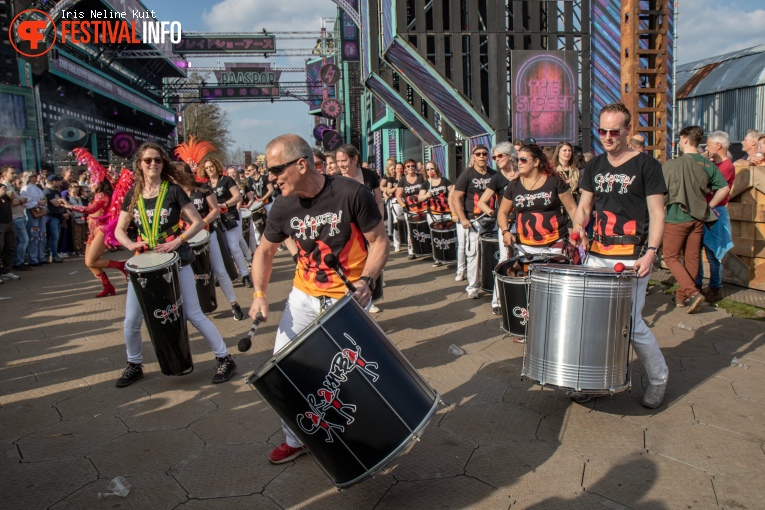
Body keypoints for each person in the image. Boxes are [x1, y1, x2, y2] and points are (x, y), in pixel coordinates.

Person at [247, 134, 389, 464]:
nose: (271, 177)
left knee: (340, 374)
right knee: (284, 367)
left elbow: (379, 241)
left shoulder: (351, 192)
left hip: (348, 297)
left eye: (276, 169)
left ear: (302, 163)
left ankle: (363, 436)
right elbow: (265, 251)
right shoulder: (282, 205)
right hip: (304, 295)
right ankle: (295, 439)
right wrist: (259, 294)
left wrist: (367, 281)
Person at [114, 143, 236, 387]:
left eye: (157, 160)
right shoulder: (133, 194)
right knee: (131, 320)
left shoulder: (173, 191)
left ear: (163, 164)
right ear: (139, 164)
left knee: (193, 314)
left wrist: (178, 241)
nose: (153, 164)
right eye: (148, 160)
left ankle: (225, 358)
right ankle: (134, 364)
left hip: (175, 260)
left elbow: (198, 222)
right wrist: (130, 244)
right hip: (144, 263)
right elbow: (119, 229)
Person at [572, 102, 669, 409]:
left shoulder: (647, 166)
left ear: (629, 130)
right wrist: (578, 227)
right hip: (598, 252)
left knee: (630, 321)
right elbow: (585, 206)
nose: (608, 136)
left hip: (632, 253)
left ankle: (659, 379)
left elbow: (657, 213)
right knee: (592, 320)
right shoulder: (595, 165)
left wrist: (651, 252)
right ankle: (596, 380)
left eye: (615, 131)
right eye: (603, 130)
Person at [662, 125, 729, 312]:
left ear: (684, 138)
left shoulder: (671, 164)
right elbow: (724, 188)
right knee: (692, 259)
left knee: (670, 256)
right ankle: (682, 298)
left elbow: (660, 193)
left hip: (676, 216)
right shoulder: (708, 164)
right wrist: (710, 206)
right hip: (699, 218)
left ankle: (692, 293)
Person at [173, 161, 245, 321]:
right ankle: (196, 308)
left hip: (208, 234)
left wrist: (202, 224)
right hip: (186, 239)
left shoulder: (203, 189)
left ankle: (234, 303)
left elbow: (215, 211)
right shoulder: (174, 192)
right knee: (192, 275)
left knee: (219, 271)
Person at [63, 175, 129, 297]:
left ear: (99, 183)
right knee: (89, 263)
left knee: (90, 261)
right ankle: (107, 286)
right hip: (93, 231)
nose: (90, 183)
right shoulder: (99, 195)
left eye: (93, 181)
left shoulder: (101, 195)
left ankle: (121, 266)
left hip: (100, 231)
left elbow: (90, 209)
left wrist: (69, 206)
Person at [478, 143, 519, 315]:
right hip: (506, 224)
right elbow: (482, 201)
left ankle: (518, 298)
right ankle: (497, 301)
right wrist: (494, 213)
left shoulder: (522, 173)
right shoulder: (497, 178)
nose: (496, 160)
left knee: (522, 260)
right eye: (494, 157)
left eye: (499, 156)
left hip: (524, 223)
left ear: (510, 155)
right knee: (504, 259)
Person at [696, 131, 736, 303]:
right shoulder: (714, 164)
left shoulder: (727, 166)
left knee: (713, 254)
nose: (707, 147)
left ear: (718, 146)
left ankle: (714, 288)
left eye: (709, 144)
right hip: (706, 210)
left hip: (715, 211)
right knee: (696, 250)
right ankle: (697, 285)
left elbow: (710, 187)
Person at [199, 157, 252, 287]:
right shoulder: (205, 186)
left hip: (230, 216)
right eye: (206, 168)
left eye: (211, 166)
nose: (209, 169)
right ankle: (223, 276)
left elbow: (237, 197)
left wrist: (223, 205)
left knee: (233, 246)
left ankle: (245, 275)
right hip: (215, 220)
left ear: (216, 166)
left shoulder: (227, 180)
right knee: (221, 249)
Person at [451, 144, 496, 297]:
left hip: (492, 220)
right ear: (473, 156)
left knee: (491, 254)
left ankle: (492, 285)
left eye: (484, 153)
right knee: (473, 255)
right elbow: (456, 197)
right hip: (474, 220)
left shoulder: (494, 174)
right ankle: (472, 288)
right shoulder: (467, 174)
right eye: (478, 154)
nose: (482, 156)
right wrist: (462, 218)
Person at [395, 159, 426, 260]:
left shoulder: (421, 177)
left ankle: (427, 249)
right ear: (405, 168)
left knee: (425, 228)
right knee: (410, 230)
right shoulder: (402, 180)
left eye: (412, 166)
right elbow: (398, 195)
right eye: (408, 166)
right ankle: (411, 250)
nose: (411, 168)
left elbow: (427, 189)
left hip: (423, 207)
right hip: (410, 209)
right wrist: (403, 206)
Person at [1, 166, 30, 272]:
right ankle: (18, 262)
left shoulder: (10, 186)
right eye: (12, 173)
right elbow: (13, 202)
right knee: (23, 240)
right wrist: (22, 201)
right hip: (13, 218)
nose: (14, 175)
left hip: (15, 218)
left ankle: (11, 267)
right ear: (4, 174)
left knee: (12, 245)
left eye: (14, 173)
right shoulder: (4, 187)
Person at [20, 172, 47, 266]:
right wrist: (38, 202)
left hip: (41, 211)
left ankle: (41, 256)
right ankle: (33, 259)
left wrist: (43, 202)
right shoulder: (25, 188)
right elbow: (26, 203)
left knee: (42, 234)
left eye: (36, 176)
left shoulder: (38, 188)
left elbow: (44, 199)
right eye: (34, 176)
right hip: (32, 212)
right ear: (29, 177)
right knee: (34, 235)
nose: (36, 177)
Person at [43, 175, 68, 263]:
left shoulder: (56, 191)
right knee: (53, 237)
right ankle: (53, 255)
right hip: (50, 217)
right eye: (58, 181)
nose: (59, 183)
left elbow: (63, 202)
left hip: (57, 216)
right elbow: (57, 203)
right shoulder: (47, 192)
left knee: (56, 238)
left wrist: (61, 200)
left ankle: (54, 254)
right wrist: (60, 200)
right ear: (53, 181)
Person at [0, 181, 18, 282]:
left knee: (10, 247)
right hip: (0, 223)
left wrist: (10, 197)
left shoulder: (3, 187)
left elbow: (12, 203)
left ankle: (6, 271)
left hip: (9, 222)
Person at [66, 183, 88, 257]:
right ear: (70, 193)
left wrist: (79, 200)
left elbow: (82, 208)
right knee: (77, 235)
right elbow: (77, 207)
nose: (75, 194)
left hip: (81, 218)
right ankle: (78, 250)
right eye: (73, 193)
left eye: (76, 192)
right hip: (76, 219)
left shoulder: (78, 199)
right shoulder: (71, 200)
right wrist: (79, 201)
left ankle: (83, 249)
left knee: (83, 234)